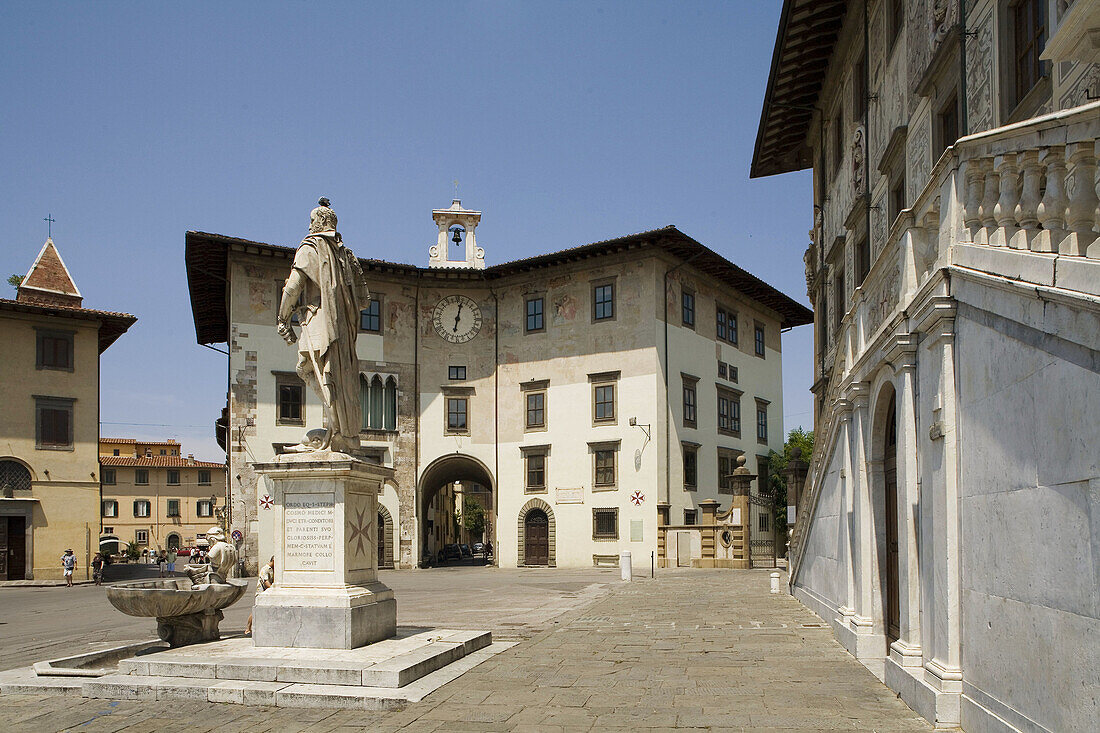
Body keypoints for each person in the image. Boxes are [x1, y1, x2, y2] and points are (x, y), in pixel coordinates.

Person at [276, 197, 371, 453]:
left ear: (317, 223)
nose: (309, 226)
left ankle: (335, 428)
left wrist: (283, 316)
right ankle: (338, 429)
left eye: (311, 221)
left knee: (309, 368)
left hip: (319, 320)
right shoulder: (347, 257)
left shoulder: (310, 247)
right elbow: (363, 300)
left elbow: (293, 285)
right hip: (343, 329)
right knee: (336, 376)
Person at [245, 556, 275, 636]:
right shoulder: (265, 569)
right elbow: (266, 582)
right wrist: (274, 589)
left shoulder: (273, 570)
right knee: (256, 609)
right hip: (261, 592)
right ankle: (248, 627)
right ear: (273, 560)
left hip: (269, 592)